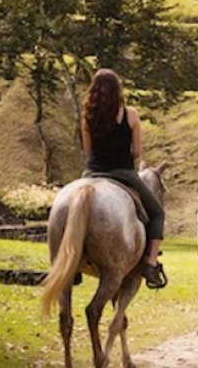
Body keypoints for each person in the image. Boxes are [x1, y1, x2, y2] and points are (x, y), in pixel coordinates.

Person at [80, 69, 167, 289]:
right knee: (157, 213)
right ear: (118, 89)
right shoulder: (130, 114)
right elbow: (137, 153)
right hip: (123, 172)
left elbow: (88, 152)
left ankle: (69, 262)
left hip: (92, 173)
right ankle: (151, 263)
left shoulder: (87, 117)